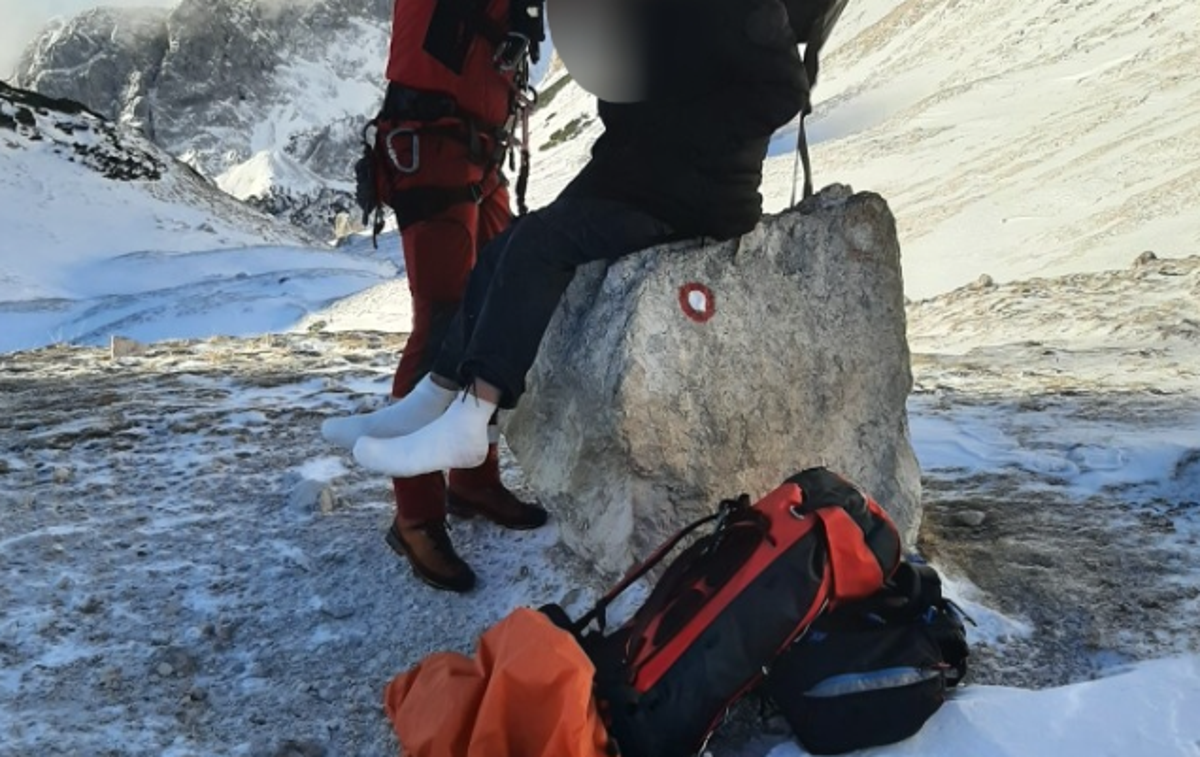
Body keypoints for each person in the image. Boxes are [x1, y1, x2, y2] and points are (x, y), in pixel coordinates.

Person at [340, 0, 846, 587]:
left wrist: (670, 127)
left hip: (679, 183)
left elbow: (771, 88)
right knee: (494, 265)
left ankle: (470, 444)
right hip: (601, 165)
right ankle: (434, 432)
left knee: (526, 251)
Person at [321, 0, 550, 593]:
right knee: (444, 326)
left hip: (475, 147)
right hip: (433, 144)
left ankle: (472, 477)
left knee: (498, 312)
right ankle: (416, 514)